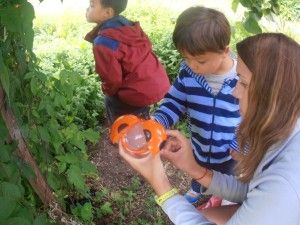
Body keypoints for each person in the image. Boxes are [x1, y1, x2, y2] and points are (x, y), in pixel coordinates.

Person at [119, 32, 300, 224]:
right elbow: (252, 190)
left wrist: (160, 183)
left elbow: (266, 190)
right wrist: (194, 168)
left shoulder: (283, 182)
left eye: (244, 83)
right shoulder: (285, 129)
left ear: (271, 96)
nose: (235, 91)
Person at [152, 6, 240, 205]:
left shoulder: (242, 79)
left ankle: (223, 197)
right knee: (198, 167)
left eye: (200, 60)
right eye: (186, 58)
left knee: (229, 181)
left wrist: (240, 142)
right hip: (199, 145)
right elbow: (175, 101)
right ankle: (198, 188)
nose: (192, 65)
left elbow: (254, 118)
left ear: (224, 51)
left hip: (230, 152)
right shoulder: (188, 73)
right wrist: (159, 120)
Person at [85, 0, 170, 124]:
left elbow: (112, 80)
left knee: (116, 111)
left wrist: (106, 90)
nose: (87, 9)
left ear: (107, 12)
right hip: (150, 85)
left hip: (135, 92)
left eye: (91, 5)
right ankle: (143, 129)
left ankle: (123, 137)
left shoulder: (103, 42)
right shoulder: (129, 27)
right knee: (140, 120)